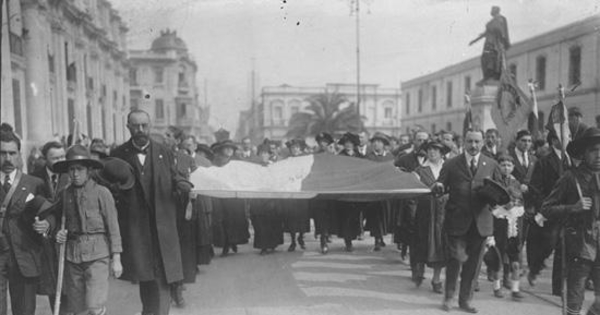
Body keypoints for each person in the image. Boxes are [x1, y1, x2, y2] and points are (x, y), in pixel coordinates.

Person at [111, 110, 193, 315]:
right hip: (137, 228)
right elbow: (110, 188)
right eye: (135, 126)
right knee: (146, 278)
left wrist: (185, 186)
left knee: (163, 277)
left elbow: (175, 177)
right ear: (128, 127)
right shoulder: (118, 155)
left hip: (162, 226)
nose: (140, 130)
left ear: (150, 126)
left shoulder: (163, 151)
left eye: (144, 126)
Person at [433, 129, 502, 313]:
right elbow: (441, 184)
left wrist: (494, 199)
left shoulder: (492, 164)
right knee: (455, 260)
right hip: (456, 221)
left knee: (473, 265)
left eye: (477, 142)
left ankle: (465, 300)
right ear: (464, 141)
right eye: (470, 141)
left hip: (481, 223)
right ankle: (448, 297)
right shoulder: (451, 163)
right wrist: (439, 187)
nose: (473, 145)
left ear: (482, 143)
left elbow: (500, 192)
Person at [50, 144, 122, 315]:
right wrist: (56, 233)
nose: (75, 174)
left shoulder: (102, 193)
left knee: (94, 305)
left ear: (89, 170)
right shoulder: (65, 194)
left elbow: (113, 226)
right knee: (78, 307)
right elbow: (54, 218)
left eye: (79, 169)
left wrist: (117, 258)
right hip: (72, 255)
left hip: (97, 255)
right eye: (71, 170)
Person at [540, 127, 600, 315]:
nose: (599, 155)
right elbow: (546, 209)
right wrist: (572, 208)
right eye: (593, 150)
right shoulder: (570, 177)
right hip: (579, 246)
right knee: (574, 303)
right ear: (583, 153)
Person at [0, 129, 51, 315]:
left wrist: (47, 225)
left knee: (24, 311)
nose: (7, 158)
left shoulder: (33, 183)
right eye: (2, 153)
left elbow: (48, 213)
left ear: (19, 155)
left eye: (12, 153)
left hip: (24, 255)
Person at [527, 130, 572, 294]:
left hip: (570, 211)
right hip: (551, 210)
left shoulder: (573, 160)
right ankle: (534, 268)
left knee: (564, 248)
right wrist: (544, 208)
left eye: (569, 136)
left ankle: (557, 288)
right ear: (554, 140)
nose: (568, 138)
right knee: (549, 245)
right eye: (564, 136)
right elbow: (535, 188)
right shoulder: (544, 162)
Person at [30, 140, 70, 313]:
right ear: (45, 159)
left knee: (72, 285)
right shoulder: (34, 178)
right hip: (45, 243)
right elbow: (29, 206)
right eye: (55, 158)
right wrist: (38, 223)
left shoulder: (70, 175)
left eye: (62, 156)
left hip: (67, 236)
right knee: (53, 287)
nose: (60, 161)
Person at [411, 140, 450, 293]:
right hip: (425, 213)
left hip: (443, 214)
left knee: (440, 245)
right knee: (422, 243)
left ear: (442, 153)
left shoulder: (447, 169)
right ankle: (419, 271)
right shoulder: (420, 170)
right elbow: (414, 191)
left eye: (436, 150)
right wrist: (428, 189)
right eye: (429, 150)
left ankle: (436, 279)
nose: (432, 152)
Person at [487, 154, 526, 301]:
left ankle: (515, 289)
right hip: (500, 220)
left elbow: (520, 198)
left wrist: (516, 202)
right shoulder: (493, 182)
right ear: (498, 166)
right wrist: (503, 204)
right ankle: (497, 286)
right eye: (503, 165)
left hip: (514, 220)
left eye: (509, 165)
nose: (506, 168)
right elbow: (491, 201)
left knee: (515, 258)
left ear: (513, 167)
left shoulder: (516, 182)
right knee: (498, 255)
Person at [210, 139, 250, 256]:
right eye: (226, 148)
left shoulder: (238, 161)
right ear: (222, 150)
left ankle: (234, 242)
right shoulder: (217, 162)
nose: (229, 151)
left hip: (235, 196)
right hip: (222, 195)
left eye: (231, 148)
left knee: (235, 220)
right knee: (224, 220)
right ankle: (226, 244)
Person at [249, 144, 284, 255]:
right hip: (258, 199)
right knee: (260, 223)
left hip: (271, 198)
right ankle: (263, 246)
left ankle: (272, 244)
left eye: (266, 153)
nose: (264, 155)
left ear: (269, 155)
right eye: (262, 153)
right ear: (259, 155)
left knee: (272, 221)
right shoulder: (254, 167)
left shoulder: (274, 166)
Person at [365, 132, 394, 251]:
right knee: (375, 216)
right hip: (374, 190)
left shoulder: (390, 157)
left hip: (387, 191)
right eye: (374, 142)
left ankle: (381, 236)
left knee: (385, 215)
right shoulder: (368, 157)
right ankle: (377, 239)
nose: (376, 144)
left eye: (379, 142)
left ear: (384, 144)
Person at [336, 132, 364, 252]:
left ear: (354, 144)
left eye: (350, 143)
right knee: (345, 216)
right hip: (344, 190)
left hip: (357, 190)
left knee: (356, 215)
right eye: (346, 143)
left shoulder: (360, 157)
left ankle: (355, 234)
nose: (348, 145)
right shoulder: (339, 157)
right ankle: (348, 241)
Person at [281, 139, 311, 252]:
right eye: (293, 148)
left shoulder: (305, 160)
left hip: (302, 191)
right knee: (291, 218)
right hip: (291, 192)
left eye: (297, 147)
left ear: (301, 149)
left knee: (303, 216)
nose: (295, 149)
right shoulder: (287, 161)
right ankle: (293, 240)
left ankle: (301, 237)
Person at [312, 132, 338, 254]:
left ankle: (327, 234)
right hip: (319, 190)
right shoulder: (314, 156)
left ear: (328, 144)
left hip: (331, 190)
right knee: (320, 216)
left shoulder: (334, 156)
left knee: (330, 214)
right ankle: (323, 240)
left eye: (325, 143)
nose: (322, 144)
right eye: (320, 142)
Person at [469, 6, 510, 82]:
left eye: (492, 9)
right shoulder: (491, 21)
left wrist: (501, 42)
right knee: (484, 58)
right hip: (488, 42)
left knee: (492, 58)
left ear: (496, 10)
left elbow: (501, 32)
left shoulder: (500, 19)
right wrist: (474, 41)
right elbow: (485, 33)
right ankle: (487, 76)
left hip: (495, 43)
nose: (491, 11)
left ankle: (493, 75)